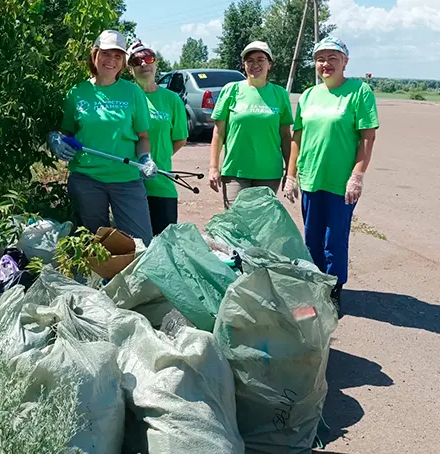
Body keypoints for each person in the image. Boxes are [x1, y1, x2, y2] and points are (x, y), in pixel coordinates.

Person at [284, 37, 379, 313]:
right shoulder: (309, 95)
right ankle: (315, 287)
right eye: (320, 59)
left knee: (334, 238)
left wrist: (357, 174)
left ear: (345, 62)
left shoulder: (359, 92)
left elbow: (367, 138)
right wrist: (291, 175)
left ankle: (334, 290)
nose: (325, 64)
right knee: (312, 236)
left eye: (332, 58)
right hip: (312, 177)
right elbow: (297, 139)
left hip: (340, 182)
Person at [53, 30, 158, 245]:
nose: (111, 61)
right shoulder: (77, 92)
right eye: (105, 54)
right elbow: (67, 132)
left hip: (127, 178)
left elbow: (143, 136)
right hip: (86, 180)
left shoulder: (132, 92)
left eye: (117, 56)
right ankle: (103, 279)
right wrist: (55, 139)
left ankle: (133, 279)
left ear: (123, 62)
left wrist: (146, 158)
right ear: (95, 55)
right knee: (95, 242)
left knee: (140, 242)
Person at [208, 41, 293, 209]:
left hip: (269, 173)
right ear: (244, 65)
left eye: (260, 59)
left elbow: (285, 136)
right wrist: (213, 167)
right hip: (235, 171)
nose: (255, 64)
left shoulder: (280, 94)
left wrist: (290, 174)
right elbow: (218, 133)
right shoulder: (231, 90)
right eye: (250, 60)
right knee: (237, 224)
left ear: (270, 64)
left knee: (260, 224)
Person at [127, 40, 189, 235]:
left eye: (148, 58)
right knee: (134, 247)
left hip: (162, 184)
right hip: (127, 185)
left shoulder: (172, 100)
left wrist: (158, 157)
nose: (144, 63)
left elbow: (180, 139)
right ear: (130, 70)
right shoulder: (125, 97)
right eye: (137, 61)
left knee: (164, 245)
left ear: (156, 64)